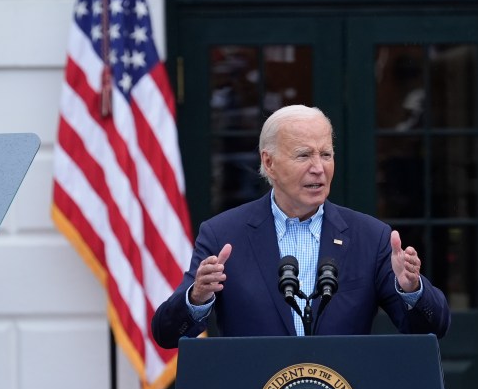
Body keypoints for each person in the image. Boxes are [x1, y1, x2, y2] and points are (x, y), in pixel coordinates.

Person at [152, 105, 450, 347]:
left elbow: (431, 328)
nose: (319, 168)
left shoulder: (370, 237)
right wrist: (197, 298)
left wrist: (412, 290)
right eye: (304, 155)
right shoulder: (224, 235)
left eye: (326, 154)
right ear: (269, 163)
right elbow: (168, 334)